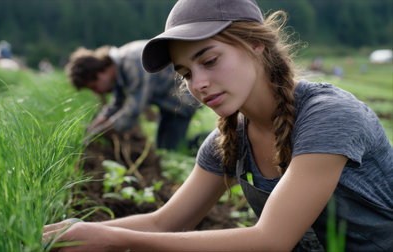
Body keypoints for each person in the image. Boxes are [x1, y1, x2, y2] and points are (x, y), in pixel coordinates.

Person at [43, 0, 393, 251]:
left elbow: (271, 240)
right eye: (186, 74)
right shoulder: (227, 141)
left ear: (256, 44)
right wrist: (76, 231)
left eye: (209, 60)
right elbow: (164, 223)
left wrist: (114, 239)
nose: (198, 84)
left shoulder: (328, 117)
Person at [65, 41, 198, 150]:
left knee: (170, 150)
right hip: (169, 107)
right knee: (162, 148)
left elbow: (133, 110)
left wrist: (98, 133)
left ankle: (205, 143)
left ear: (100, 73)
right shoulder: (119, 69)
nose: (96, 92)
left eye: (94, 87)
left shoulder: (133, 63)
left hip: (182, 103)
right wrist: (92, 127)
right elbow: (116, 105)